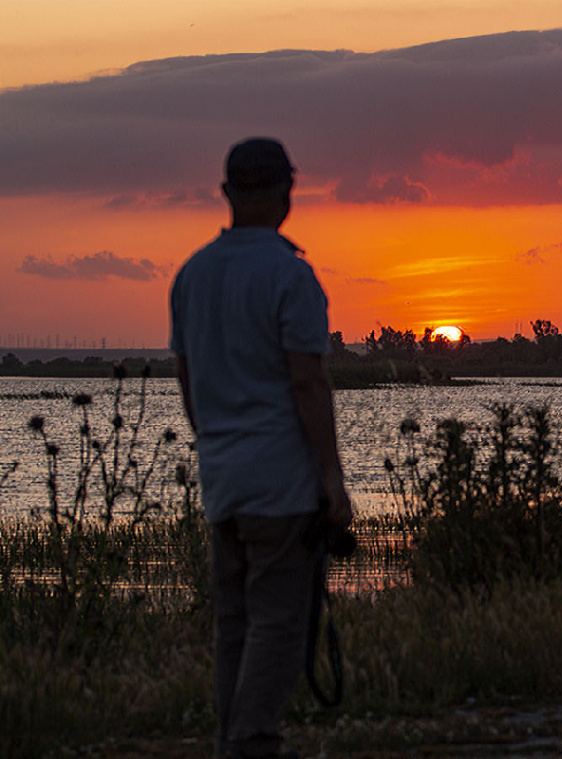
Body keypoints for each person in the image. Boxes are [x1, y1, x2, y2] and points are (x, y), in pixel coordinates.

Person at [170, 137, 353, 759]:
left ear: (226, 193)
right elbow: (308, 379)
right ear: (287, 193)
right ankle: (250, 744)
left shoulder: (192, 275)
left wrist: (215, 446)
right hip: (280, 484)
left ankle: (234, 739)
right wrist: (331, 478)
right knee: (279, 619)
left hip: (222, 481)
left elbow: (189, 382)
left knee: (234, 624)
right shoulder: (290, 275)